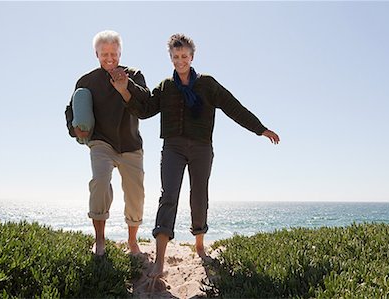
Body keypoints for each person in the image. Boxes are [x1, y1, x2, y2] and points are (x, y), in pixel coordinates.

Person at [120, 33, 280, 276]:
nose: (180, 61)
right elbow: (145, 110)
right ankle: (160, 260)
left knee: (199, 196)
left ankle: (199, 244)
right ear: (171, 58)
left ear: (192, 57)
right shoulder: (166, 86)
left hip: (202, 148)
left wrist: (260, 129)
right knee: (169, 196)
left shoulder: (207, 84)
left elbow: (233, 107)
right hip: (173, 147)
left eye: (184, 56)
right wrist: (125, 91)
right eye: (175, 57)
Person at [65, 30, 150, 256]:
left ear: (120, 52)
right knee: (100, 183)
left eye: (114, 52)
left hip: (131, 144)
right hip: (101, 142)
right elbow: (70, 109)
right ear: (96, 54)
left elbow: (145, 104)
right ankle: (100, 240)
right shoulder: (86, 81)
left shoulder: (134, 75)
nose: (109, 57)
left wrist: (126, 87)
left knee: (136, 193)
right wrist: (74, 129)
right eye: (104, 53)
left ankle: (132, 242)